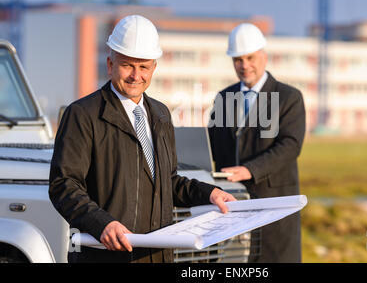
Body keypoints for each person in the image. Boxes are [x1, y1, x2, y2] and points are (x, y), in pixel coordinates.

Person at [49, 15, 235, 263]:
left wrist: (209, 193)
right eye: (127, 65)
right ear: (110, 64)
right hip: (107, 256)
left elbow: (167, 182)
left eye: (144, 67)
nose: (136, 75)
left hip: (156, 255)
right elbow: (64, 185)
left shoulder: (161, 115)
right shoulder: (83, 114)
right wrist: (101, 224)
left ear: (154, 68)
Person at [208, 23, 306, 262]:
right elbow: (212, 145)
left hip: (274, 205)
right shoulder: (224, 97)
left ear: (264, 56)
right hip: (234, 205)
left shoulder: (288, 97)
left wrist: (250, 170)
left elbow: (290, 145)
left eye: (250, 57)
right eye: (238, 60)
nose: (244, 66)